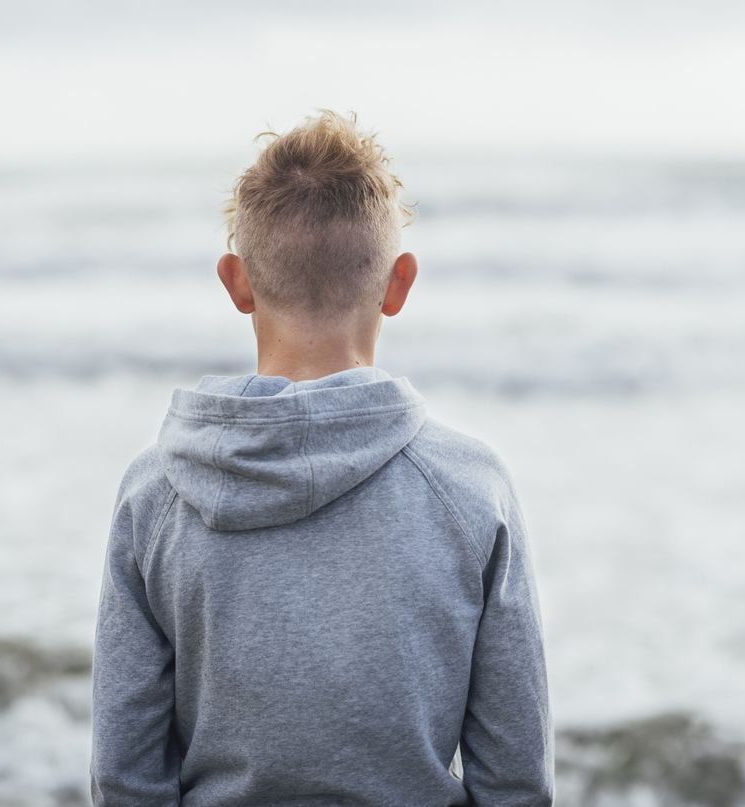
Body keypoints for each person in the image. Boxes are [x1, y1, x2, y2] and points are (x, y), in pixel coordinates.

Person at [90, 110, 553, 805]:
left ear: (237, 282)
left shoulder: (155, 493)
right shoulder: (470, 488)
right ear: (399, 283)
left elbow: (125, 775)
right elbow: (516, 776)